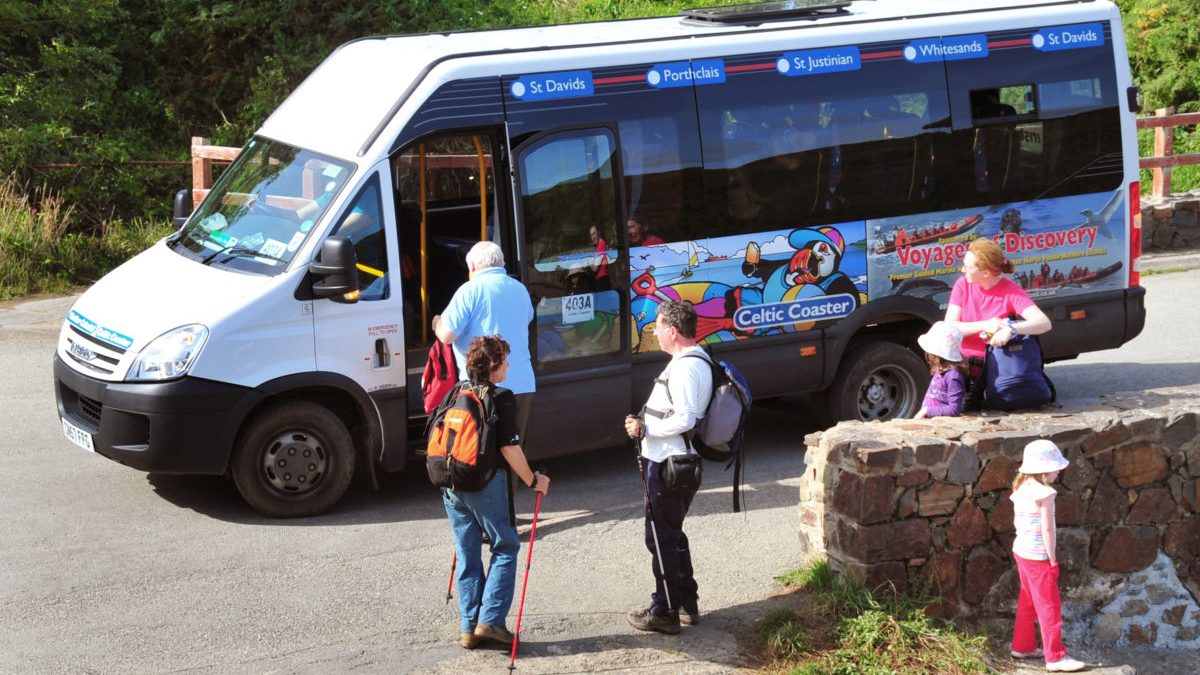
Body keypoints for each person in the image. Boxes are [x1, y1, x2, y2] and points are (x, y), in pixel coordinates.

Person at [443, 335, 550, 650]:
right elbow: (509, 447)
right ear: (492, 365)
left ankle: (469, 627)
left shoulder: (455, 392)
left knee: (468, 552)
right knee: (505, 547)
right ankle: (490, 621)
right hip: (485, 485)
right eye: (504, 359)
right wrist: (533, 480)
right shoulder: (501, 397)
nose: (508, 364)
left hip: (452, 486)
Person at [623, 301, 713, 635]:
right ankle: (686, 602)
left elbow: (687, 418)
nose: (655, 333)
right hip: (670, 461)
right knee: (670, 534)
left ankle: (665, 611)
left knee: (660, 538)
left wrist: (645, 430)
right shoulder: (689, 361)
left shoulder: (687, 367)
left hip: (670, 464)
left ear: (673, 331)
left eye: (659, 327)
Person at [433, 241, 536, 441]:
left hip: (484, 387)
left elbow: (447, 335)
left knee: (484, 451)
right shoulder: (521, 289)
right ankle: (516, 474)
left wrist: (437, 322)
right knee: (514, 448)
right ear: (502, 263)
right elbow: (528, 319)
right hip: (522, 383)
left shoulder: (469, 291)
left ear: (472, 267)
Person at [945, 238, 1051, 410]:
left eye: (967, 266)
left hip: (999, 367)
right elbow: (949, 327)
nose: (962, 270)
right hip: (967, 366)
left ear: (986, 272)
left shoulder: (1010, 290)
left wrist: (1012, 329)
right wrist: (985, 325)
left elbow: (1044, 323)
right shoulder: (962, 285)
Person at [1010, 440, 1086, 672]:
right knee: (1049, 605)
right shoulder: (1046, 493)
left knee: (1028, 601)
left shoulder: (1021, 488)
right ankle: (1055, 657)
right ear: (1043, 469)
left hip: (1021, 551)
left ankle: (1022, 646)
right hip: (1038, 556)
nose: (1058, 471)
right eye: (1055, 468)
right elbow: (1047, 529)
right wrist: (1052, 558)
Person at [914, 321, 967, 418]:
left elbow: (954, 409)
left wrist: (927, 410)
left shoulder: (953, 376)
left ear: (935, 355)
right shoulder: (941, 368)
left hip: (938, 421)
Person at [588, 225, 611, 289]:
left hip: (602, 280)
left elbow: (595, 268)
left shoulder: (601, 244)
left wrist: (588, 262)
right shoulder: (599, 246)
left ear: (599, 232)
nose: (593, 237)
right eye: (591, 235)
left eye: (594, 233)